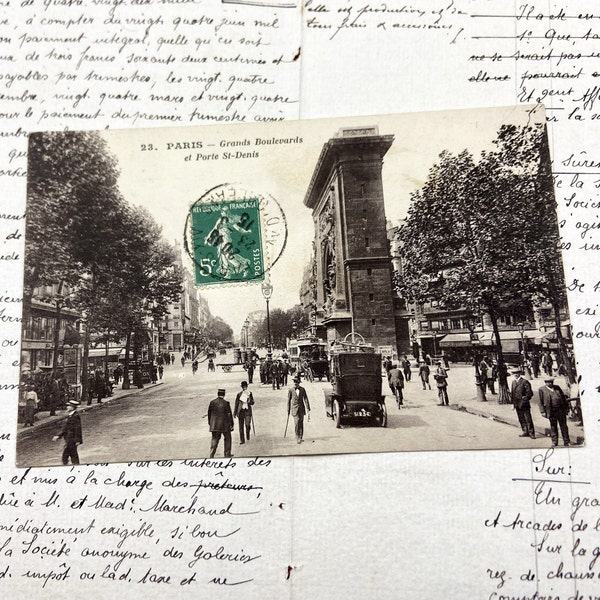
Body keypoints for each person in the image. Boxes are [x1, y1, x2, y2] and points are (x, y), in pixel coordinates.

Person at [538, 377, 571, 447]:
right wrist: (542, 411)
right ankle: (554, 441)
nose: (549, 383)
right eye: (547, 382)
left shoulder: (557, 387)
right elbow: (540, 401)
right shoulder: (542, 389)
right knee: (553, 426)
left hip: (560, 410)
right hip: (551, 411)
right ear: (545, 382)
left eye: (551, 382)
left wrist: (566, 408)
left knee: (564, 426)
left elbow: (563, 398)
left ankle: (566, 441)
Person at [53, 399, 83, 465]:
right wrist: (58, 435)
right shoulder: (71, 415)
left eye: (68, 406)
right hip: (69, 439)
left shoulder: (75, 416)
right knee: (73, 456)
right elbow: (66, 428)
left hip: (71, 440)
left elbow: (78, 428)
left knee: (66, 456)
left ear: (72, 407)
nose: (67, 407)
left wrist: (77, 440)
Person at [207, 388, 234, 458]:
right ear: (224, 395)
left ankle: (211, 454)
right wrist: (231, 424)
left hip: (215, 425)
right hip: (225, 425)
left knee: (214, 439)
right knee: (228, 438)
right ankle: (227, 454)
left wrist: (210, 423)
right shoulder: (226, 403)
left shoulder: (212, 402)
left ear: (217, 394)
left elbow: (209, 413)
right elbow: (229, 414)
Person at [510, 368, 535, 439]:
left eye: (516, 373)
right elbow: (512, 394)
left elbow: (529, 393)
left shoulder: (525, 382)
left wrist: (525, 398)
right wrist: (513, 404)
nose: (515, 375)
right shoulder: (513, 382)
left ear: (519, 373)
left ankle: (531, 433)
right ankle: (525, 431)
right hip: (517, 404)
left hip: (524, 404)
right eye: (514, 373)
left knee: (528, 419)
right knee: (521, 418)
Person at [287, 376, 311, 444]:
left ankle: (301, 436)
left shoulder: (302, 389)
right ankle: (297, 437)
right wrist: (288, 410)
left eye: (296, 382)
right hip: (294, 409)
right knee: (296, 422)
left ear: (299, 383)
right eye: (294, 382)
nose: (295, 383)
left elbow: (305, 398)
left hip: (301, 408)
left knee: (301, 422)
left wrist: (308, 408)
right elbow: (288, 400)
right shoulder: (291, 390)